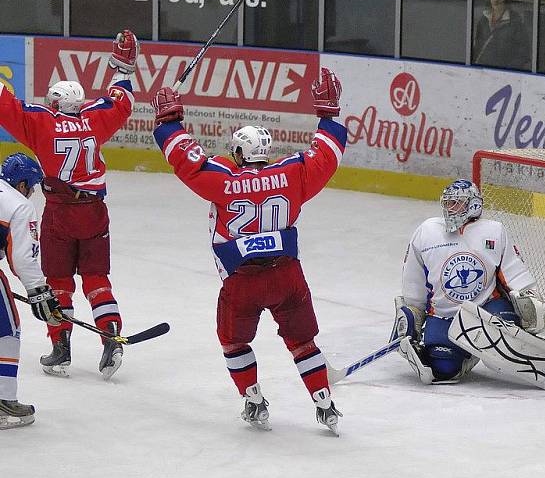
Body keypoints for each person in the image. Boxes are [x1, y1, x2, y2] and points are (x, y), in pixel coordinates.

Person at [150, 68, 347, 434]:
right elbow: (327, 155)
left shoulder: (224, 180)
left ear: (239, 152)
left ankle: (253, 400)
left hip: (242, 280)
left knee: (233, 340)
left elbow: (187, 162)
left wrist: (168, 122)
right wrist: (328, 116)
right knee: (302, 341)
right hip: (288, 275)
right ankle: (324, 403)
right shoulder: (292, 175)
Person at [0, 29, 139, 380]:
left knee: (58, 280)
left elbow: (6, 105)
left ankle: (60, 347)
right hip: (94, 211)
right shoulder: (94, 118)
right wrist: (123, 68)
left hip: (60, 213)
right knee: (97, 279)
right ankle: (112, 337)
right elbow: (120, 100)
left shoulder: (41, 122)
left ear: (56, 102)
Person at [389, 179, 545, 393]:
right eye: (448, 203)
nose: (450, 208)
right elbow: (414, 282)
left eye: (457, 203)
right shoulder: (426, 232)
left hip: (486, 308)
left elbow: (513, 271)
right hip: (444, 316)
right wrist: (413, 314)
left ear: (473, 205)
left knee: (506, 339)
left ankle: (531, 354)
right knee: (443, 368)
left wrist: (528, 298)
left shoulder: (494, 231)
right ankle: (469, 355)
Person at [0, 154, 63, 429]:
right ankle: (3, 401)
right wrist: (39, 292)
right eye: (32, 186)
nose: (32, 192)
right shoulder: (19, 205)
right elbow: (23, 258)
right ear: (22, 184)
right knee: (6, 330)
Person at [472, 0, 530, 70]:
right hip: (482, 70)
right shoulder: (484, 20)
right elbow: (477, 46)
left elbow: (523, 53)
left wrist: (509, 70)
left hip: (505, 72)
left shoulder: (515, 22)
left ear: (505, 0)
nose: (495, 0)